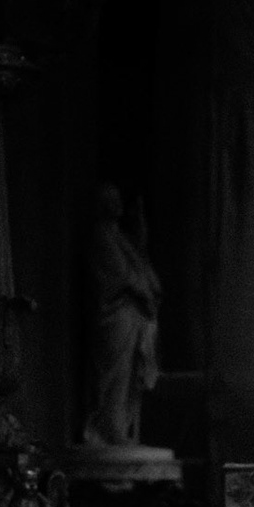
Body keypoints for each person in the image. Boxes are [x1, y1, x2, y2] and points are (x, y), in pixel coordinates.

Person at [84, 182, 163, 448]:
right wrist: (143, 289)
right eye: (111, 200)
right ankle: (109, 427)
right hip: (115, 318)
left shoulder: (119, 236)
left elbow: (137, 264)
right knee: (113, 377)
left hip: (131, 318)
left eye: (118, 199)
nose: (117, 206)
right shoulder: (102, 236)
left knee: (129, 379)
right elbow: (120, 275)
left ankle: (122, 428)